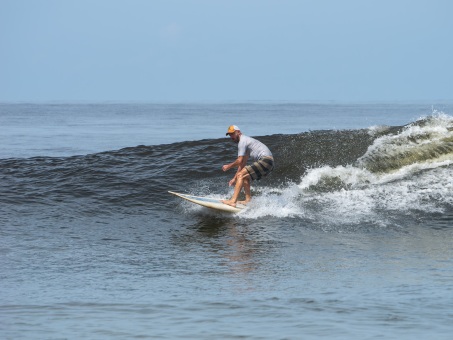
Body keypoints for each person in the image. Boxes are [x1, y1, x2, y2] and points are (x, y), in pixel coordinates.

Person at [222, 125, 274, 207]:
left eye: (233, 133)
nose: (231, 136)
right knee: (244, 177)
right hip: (269, 163)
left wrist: (228, 166)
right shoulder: (246, 142)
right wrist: (234, 178)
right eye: (230, 135)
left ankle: (233, 201)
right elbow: (242, 164)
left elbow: (239, 161)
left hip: (265, 160)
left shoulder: (242, 141)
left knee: (241, 175)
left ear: (238, 132)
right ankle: (247, 200)